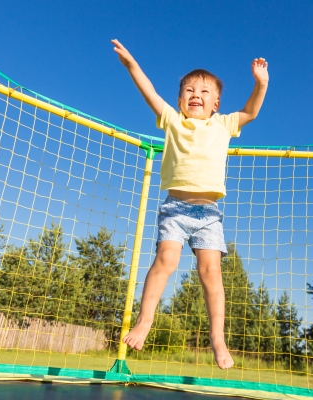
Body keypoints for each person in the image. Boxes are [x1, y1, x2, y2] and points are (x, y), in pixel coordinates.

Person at [112, 39, 269, 369]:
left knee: (211, 273)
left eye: (204, 91)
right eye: (188, 90)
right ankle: (144, 321)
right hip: (175, 209)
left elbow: (252, 111)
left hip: (209, 215)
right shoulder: (172, 120)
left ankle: (217, 338)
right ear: (180, 100)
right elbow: (150, 92)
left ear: (216, 104)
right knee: (166, 260)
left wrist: (261, 83)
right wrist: (131, 65)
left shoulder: (223, 124)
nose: (195, 94)